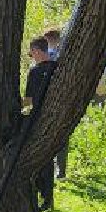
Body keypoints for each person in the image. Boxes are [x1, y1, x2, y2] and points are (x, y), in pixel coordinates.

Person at [23, 37, 58, 210]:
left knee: (36, 156)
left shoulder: (35, 72)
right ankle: (48, 197)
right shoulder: (58, 67)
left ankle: (40, 193)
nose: (32, 57)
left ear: (37, 51)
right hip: (55, 117)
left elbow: (28, 100)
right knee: (48, 157)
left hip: (38, 118)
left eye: (32, 53)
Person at [41, 29, 69, 178]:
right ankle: (54, 168)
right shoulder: (56, 52)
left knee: (58, 133)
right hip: (52, 98)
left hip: (57, 98)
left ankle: (59, 169)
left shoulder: (57, 54)